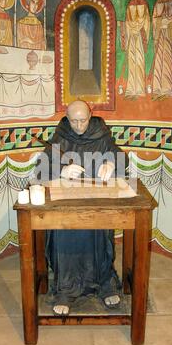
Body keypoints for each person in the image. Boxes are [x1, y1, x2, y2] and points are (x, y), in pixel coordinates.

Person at [34, 100, 128, 316]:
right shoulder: (61, 136)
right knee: (65, 236)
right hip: (66, 204)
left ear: (90, 114)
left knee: (100, 234)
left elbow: (121, 157)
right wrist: (61, 172)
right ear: (67, 118)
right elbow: (41, 169)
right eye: (73, 121)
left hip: (95, 201)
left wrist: (111, 164)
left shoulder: (100, 134)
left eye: (82, 120)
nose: (78, 126)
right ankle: (65, 290)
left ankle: (104, 284)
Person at [123, 0, 150, 100]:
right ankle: (131, 89)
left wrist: (139, 28)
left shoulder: (144, 2)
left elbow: (146, 20)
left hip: (139, 35)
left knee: (139, 60)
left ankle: (139, 89)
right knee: (131, 60)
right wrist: (129, 32)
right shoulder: (130, 3)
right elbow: (127, 20)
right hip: (132, 36)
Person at [152, 0, 172, 100]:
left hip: (167, 33)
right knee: (158, 59)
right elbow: (154, 18)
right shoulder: (158, 0)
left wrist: (165, 22)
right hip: (159, 32)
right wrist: (159, 23)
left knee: (166, 58)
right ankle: (157, 88)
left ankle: (167, 89)